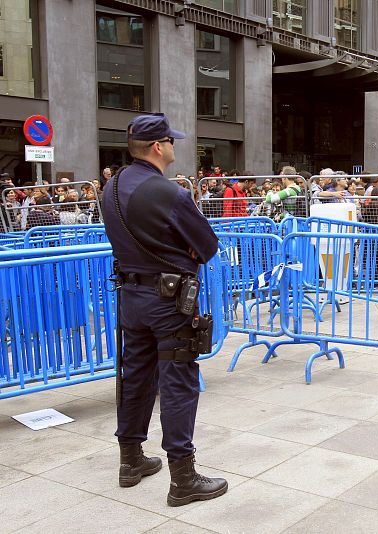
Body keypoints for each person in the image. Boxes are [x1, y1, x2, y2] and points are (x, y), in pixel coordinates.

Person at [101, 113, 227, 507]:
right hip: (168, 302)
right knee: (178, 382)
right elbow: (207, 246)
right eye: (171, 140)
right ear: (159, 146)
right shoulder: (170, 193)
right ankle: (183, 479)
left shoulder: (111, 186)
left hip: (131, 297)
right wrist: (183, 249)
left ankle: (131, 460)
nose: (174, 145)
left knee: (136, 376)